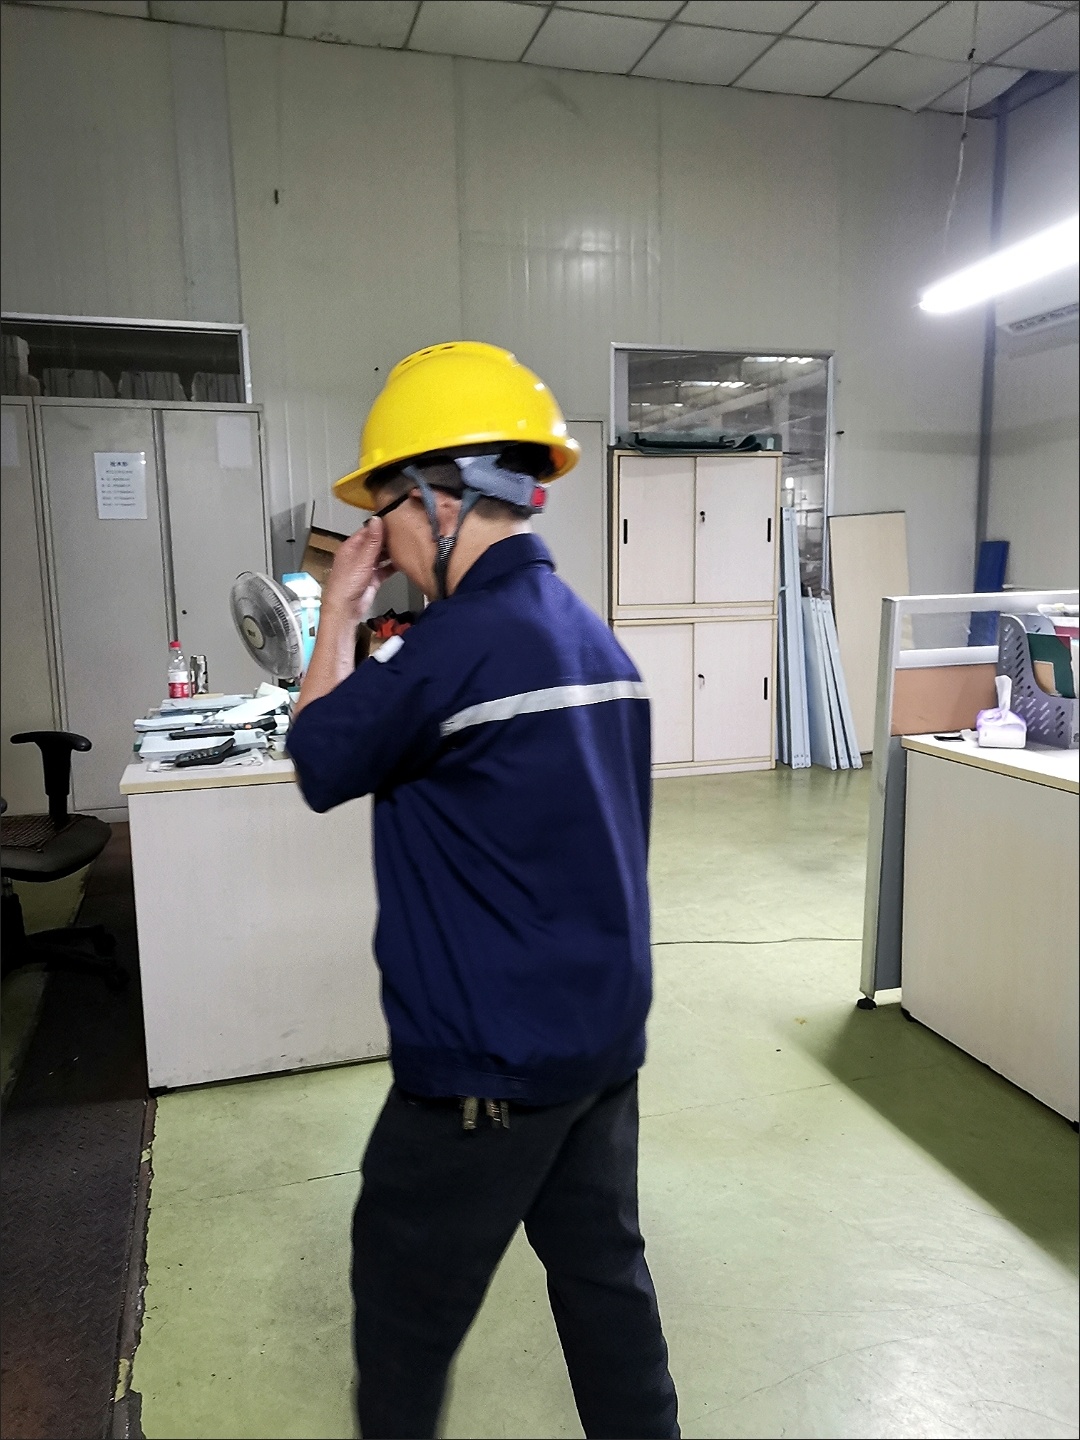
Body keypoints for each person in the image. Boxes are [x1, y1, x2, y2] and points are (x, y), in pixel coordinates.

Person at [287, 341, 679, 1440]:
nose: (389, 547)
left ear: (438, 498)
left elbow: (317, 757)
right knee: (607, 1290)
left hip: (483, 1072)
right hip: (601, 1052)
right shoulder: (592, 639)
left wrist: (338, 612)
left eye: (388, 517)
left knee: (402, 1324)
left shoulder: (450, 651)